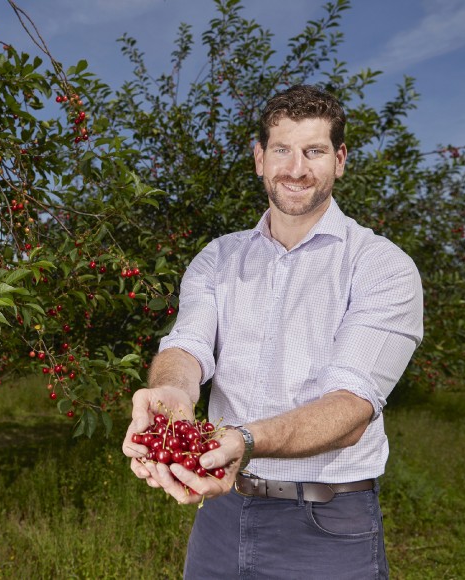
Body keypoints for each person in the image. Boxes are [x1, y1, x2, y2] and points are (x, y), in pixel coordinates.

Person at [121, 84, 423, 579]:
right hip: (221, 514)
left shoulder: (381, 267)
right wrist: (169, 391)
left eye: (315, 151)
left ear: (340, 160)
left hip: (326, 525)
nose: (296, 168)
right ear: (259, 159)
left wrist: (243, 439)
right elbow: (188, 345)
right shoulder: (218, 257)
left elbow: (350, 411)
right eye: (282, 149)